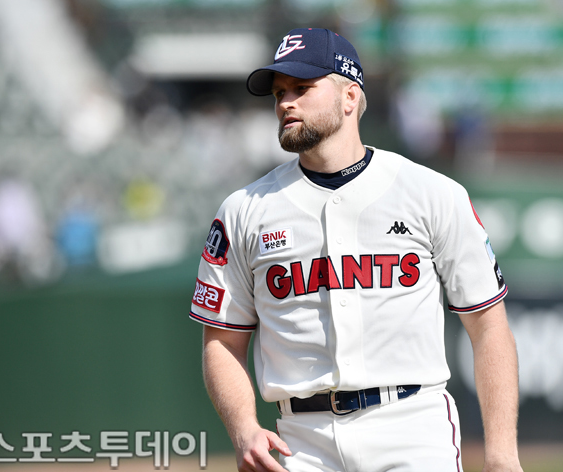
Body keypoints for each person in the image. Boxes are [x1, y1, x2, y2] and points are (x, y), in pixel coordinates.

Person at [190, 28, 522, 472]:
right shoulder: (244, 210)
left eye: (302, 88)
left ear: (350, 97)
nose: (286, 103)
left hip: (412, 429)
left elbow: (489, 327)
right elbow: (223, 341)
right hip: (302, 442)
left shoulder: (432, 193)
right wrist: (243, 427)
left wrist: (501, 455)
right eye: (280, 92)